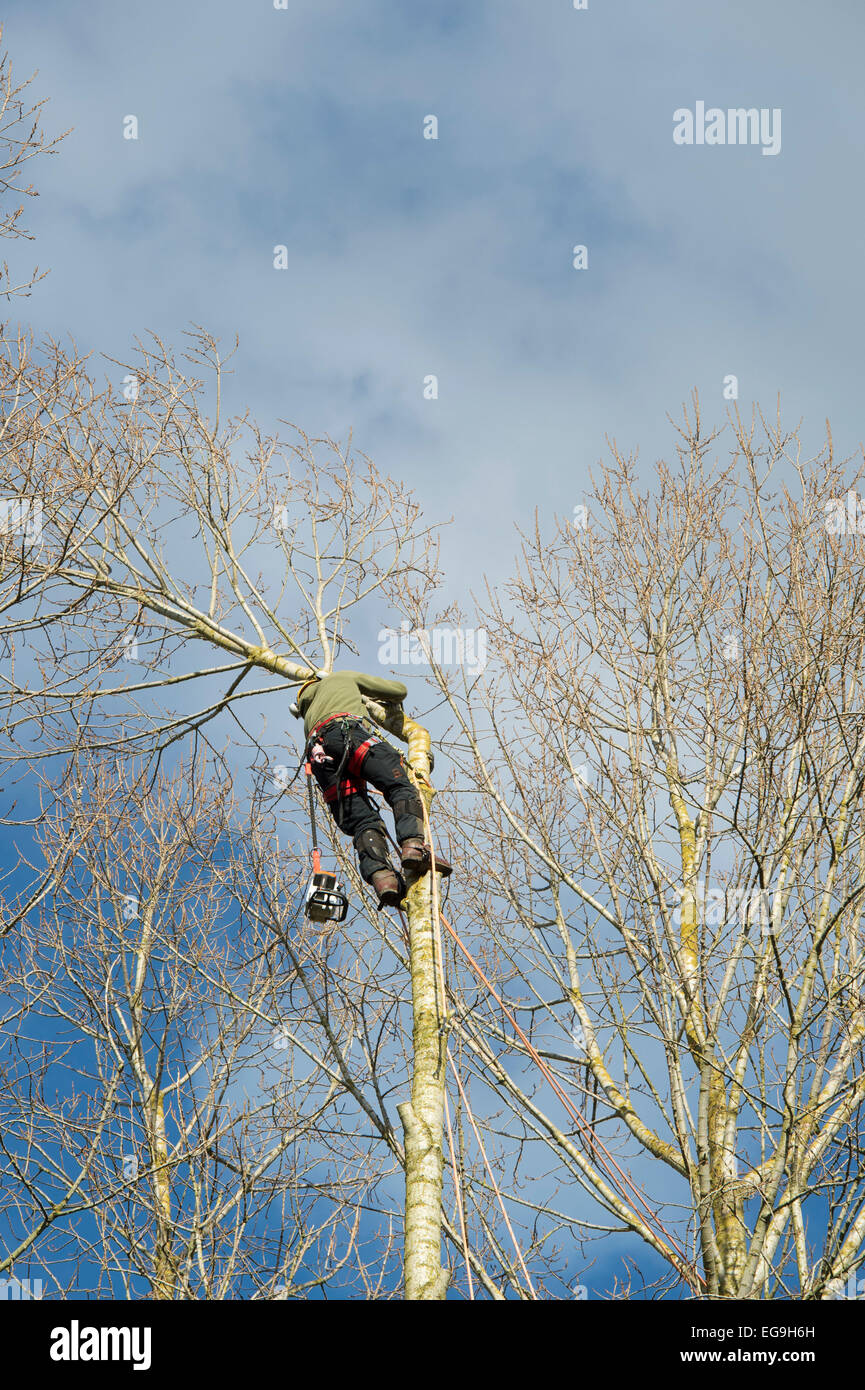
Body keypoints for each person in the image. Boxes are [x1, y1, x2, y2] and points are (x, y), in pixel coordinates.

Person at [292, 668, 452, 908]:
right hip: (347, 734)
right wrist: (371, 698)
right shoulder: (341, 677)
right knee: (400, 785)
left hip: (319, 759)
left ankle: (383, 879)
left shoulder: (308, 718)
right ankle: (414, 847)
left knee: (361, 823)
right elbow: (399, 691)